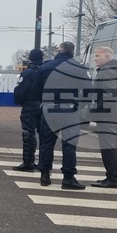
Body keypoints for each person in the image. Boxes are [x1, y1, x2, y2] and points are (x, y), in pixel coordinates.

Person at [32, 41, 90, 189]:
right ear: (72, 52)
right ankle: (68, 178)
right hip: (70, 109)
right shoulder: (79, 69)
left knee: (46, 143)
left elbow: (35, 90)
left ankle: (45, 175)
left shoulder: (45, 67)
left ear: (59, 51)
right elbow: (88, 91)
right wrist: (80, 106)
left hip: (49, 108)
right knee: (69, 145)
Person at [91, 45, 117, 188]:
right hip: (112, 113)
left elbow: (108, 95)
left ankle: (113, 178)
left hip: (108, 114)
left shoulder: (107, 72)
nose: (95, 59)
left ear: (106, 56)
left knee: (108, 147)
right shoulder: (113, 70)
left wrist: (98, 111)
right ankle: (112, 176)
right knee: (110, 146)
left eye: (97, 56)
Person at [11, 49, 44, 171]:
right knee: (44, 134)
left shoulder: (28, 73)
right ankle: (43, 163)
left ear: (30, 58)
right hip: (44, 104)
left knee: (28, 133)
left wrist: (19, 101)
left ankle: (28, 162)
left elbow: (20, 90)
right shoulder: (46, 71)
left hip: (30, 105)